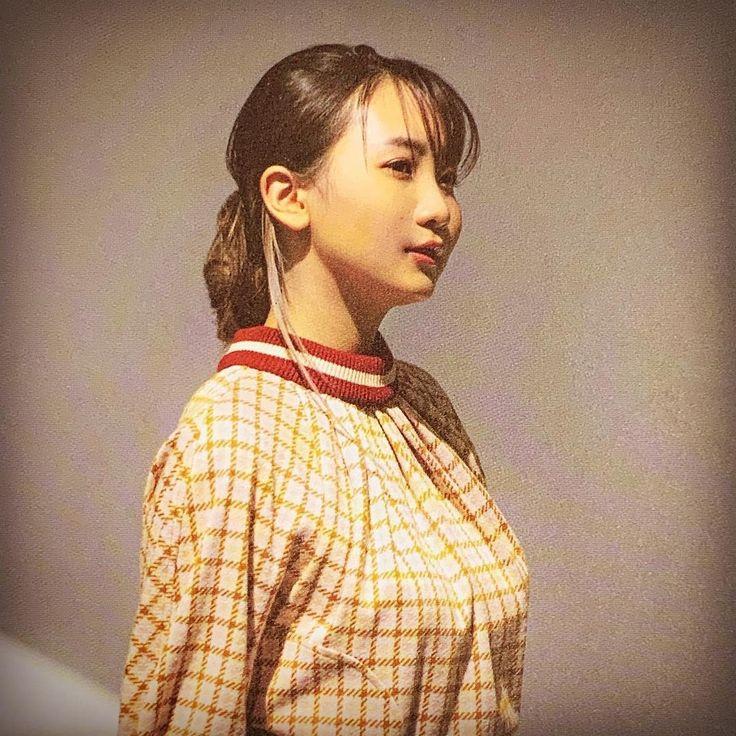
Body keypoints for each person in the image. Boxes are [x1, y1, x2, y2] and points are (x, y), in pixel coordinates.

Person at [117, 42, 530, 736]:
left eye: (448, 178)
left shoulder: (424, 406)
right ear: (289, 195)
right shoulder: (234, 437)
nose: (440, 208)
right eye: (401, 168)